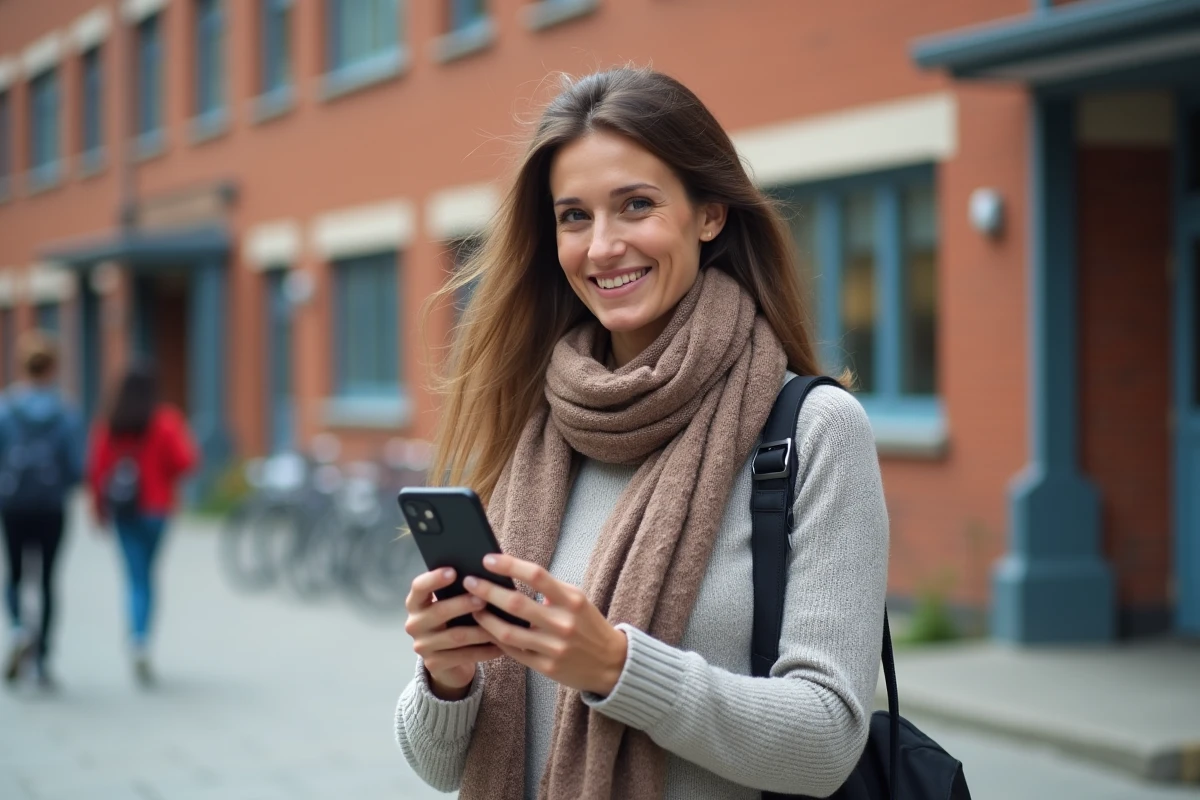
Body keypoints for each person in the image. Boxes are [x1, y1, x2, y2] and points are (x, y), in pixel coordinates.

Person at [394, 67, 890, 800]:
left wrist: (618, 669)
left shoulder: (814, 431)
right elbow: (439, 769)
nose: (601, 247)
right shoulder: (538, 427)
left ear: (710, 213)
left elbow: (827, 742)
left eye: (635, 205)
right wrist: (446, 679)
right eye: (573, 216)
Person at [87, 364, 197, 686]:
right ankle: (143, 639)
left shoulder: (110, 422)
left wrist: (98, 509)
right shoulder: (165, 422)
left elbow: (97, 470)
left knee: (134, 577)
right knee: (148, 576)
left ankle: (137, 638)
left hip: (124, 511)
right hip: (157, 508)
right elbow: (187, 462)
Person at [0, 332, 85, 689]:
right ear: (53, 368)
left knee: (16, 574)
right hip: (51, 506)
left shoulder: (6, 409)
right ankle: (43, 661)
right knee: (48, 580)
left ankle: (20, 627)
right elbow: (76, 467)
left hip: (14, 503)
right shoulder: (65, 411)